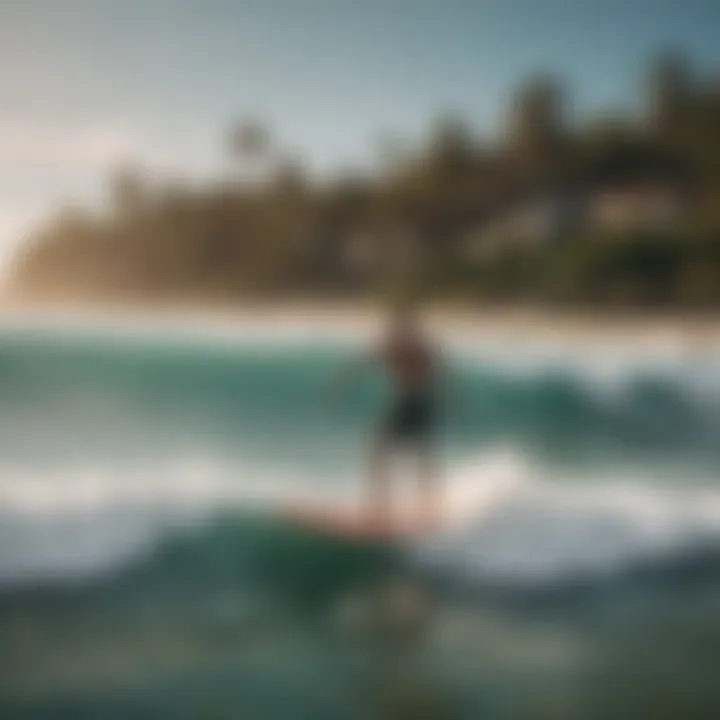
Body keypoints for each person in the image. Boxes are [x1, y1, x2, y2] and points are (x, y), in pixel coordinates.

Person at [335, 306, 442, 529]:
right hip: (414, 402)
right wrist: (342, 385)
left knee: (395, 452)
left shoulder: (415, 347)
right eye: (394, 328)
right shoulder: (400, 346)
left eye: (398, 328)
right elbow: (361, 364)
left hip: (415, 403)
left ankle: (406, 506)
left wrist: (342, 386)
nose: (394, 331)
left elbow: (439, 372)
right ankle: (413, 504)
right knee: (407, 452)